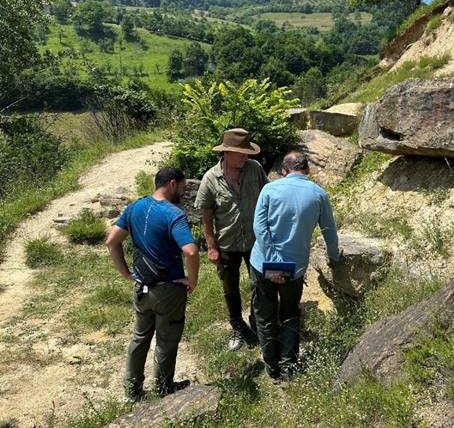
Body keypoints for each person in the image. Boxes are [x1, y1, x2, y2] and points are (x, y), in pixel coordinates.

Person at [106, 167, 199, 402]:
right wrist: (192, 280)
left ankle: (132, 390)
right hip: (168, 288)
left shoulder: (134, 207)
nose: (184, 192)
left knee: (139, 337)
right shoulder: (174, 214)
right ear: (172, 184)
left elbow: (112, 241)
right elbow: (190, 251)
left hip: (141, 287)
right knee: (166, 340)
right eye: (183, 187)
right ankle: (164, 388)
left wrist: (126, 273)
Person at [250, 151, 341, 380]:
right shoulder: (319, 194)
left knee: (265, 315)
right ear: (307, 169)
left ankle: (272, 367)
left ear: (284, 170)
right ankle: (289, 365)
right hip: (295, 267)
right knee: (290, 313)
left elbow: (259, 228)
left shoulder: (269, 190)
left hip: (263, 264)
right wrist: (335, 257)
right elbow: (329, 231)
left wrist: (273, 263)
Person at [194, 128, 269, 351]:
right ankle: (236, 325)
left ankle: (257, 321)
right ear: (226, 153)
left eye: (247, 153)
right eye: (240, 153)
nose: (245, 157)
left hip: (256, 241)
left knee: (259, 283)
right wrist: (211, 246)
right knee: (230, 288)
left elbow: (267, 197)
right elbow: (206, 215)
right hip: (227, 243)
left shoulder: (255, 169)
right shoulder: (211, 178)